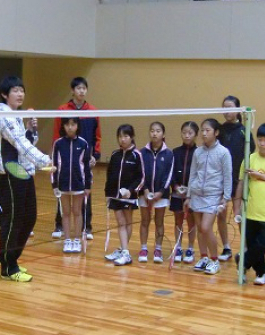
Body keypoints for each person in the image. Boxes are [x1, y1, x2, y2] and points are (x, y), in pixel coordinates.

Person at [0, 76, 51, 282]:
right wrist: (45, 161)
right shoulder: (2, 115)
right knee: (13, 220)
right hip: (9, 175)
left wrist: (31, 129)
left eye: (22, 90)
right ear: (4, 94)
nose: (20, 94)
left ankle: (9, 258)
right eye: (15, 90)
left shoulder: (15, 115)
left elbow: (25, 141)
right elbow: (20, 144)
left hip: (23, 172)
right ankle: (8, 266)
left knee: (29, 217)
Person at [232, 123, 265, 285]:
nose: (262, 143)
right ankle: (261, 272)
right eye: (260, 139)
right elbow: (241, 183)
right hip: (250, 211)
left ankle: (243, 261)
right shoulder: (249, 159)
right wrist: (237, 207)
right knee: (252, 243)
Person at [52, 77, 101, 240]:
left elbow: (97, 136)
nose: (81, 91)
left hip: (84, 157)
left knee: (85, 192)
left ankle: (87, 227)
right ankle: (59, 225)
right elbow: (56, 134)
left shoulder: (93, 111)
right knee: (62, 193)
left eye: (84, 88)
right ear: (72, 90)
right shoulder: (62, 109)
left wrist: (95, 155)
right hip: (65, 158)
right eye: (78, 88)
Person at [184, 118, 232, 275]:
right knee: (200, 228)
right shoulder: (198, 152)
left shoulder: (223, 152)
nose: (204, 133)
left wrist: (226, 197)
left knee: (206, 227)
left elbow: (227, 176)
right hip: (197, 194)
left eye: (207, 130)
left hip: (213, 196)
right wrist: (189, 195)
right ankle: (203, 257)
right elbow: (192, 174)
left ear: (216, 133)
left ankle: (214, 259)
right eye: (202, 130)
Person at [218, 95, 255, 261]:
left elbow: (252, 155)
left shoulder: (244, 130)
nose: (227, 111)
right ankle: (226, 247)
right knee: (221, 213)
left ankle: (245, 247)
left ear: (238, 109)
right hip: (221, 179)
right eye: (224, 107)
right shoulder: (219, 130)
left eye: (230, 107)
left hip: (238, 179)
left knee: (239, 214)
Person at [104, 124, 144, 266]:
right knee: (121, 223)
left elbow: (141, 178)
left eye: (126, 136)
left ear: (131, 137)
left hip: (129, 197)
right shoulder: (115, 155)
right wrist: (107, 194)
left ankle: (124, 251)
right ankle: (124, 250)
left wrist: (131, 190)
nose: (123, 139)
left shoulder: (137, 155)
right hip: (115, 195)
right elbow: (109, 175)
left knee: (126, 222)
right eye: (120, 136)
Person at [52, 118, 92, 253]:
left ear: (77, 126)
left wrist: (87, 185)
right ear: (63, 126)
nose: (70, 127)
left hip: (78, 184)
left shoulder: (83, 143)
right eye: (67, 124)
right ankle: (67, 239)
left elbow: (87, 166)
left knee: (77, 212)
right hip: (62, 184)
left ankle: (77, 240)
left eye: (73, 124)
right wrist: (54, 184)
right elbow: (54, 165)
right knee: (66, 213)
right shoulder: (58, 144)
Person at [139, 122, 174, 263]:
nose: (155, 133)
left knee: (159, 221)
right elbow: (140, 173)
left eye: (158, 131)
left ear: (163, 134)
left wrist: (160, 192)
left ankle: (158, 249)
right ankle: (143, 248)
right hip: (144, 193)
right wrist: (146, 190)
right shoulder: (142, 152)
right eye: (152, 130)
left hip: (161, 194)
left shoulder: (169, 153)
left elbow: (169, 174)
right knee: (144, 221)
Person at [170, 121, 198, 264]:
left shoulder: (198, 152)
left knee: (192, 221)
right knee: (178, 220)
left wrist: (190, 190)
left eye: (190, 133)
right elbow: (171, 172)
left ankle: (191, 248)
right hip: (177, 193)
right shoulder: (175, 152)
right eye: (184, 133)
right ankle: (178, 247)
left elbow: (199, 174)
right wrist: (175, 187)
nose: (187, 136)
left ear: (195, 135)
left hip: (192, 195)